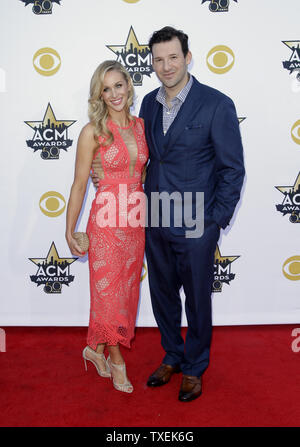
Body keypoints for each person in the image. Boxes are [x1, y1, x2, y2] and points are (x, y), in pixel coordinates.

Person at [92, 26, 245, 402]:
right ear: (153, 63)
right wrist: (105, 172)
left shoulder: (216, 104)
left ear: (187, 57)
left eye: (173, 57)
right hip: (154, 215)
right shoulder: (147, 103)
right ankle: (173, 356)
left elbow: (232, 169)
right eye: (158, 59)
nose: (166, 66)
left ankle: (194, 367)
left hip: (197, 220)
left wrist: (215, 220)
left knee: (196, 299)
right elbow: (142, 156)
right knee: (162, 296)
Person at [66, 60, 148, 394]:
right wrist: (69, 230)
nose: (114, 94)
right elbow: (79, 185)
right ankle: (116, 361)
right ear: (99, 94)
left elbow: (141, 172)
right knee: (108, 296)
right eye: (106, 88)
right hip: (105, 223)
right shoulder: (92, 132)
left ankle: (94, 349)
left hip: (135, 222)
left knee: (125, 294)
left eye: (119, 85)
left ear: (129, 86)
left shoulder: (142, 126)